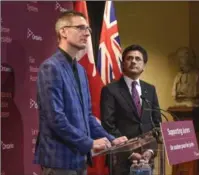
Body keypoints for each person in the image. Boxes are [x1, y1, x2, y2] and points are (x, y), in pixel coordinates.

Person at [34, 10, 127, 175]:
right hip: (59, 160)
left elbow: (88, 117)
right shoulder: (51, 67)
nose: (87, 33)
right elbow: (55, 119)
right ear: (63, 32)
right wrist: (90, 143)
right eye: (81, 28)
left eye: (88, 30)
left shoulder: (81, 70)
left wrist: (112, 140)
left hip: (80, 158)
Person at [100, 44, 162, 175]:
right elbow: (108, 124)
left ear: (144, 65)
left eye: (138, 59)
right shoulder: (110, 90)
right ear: (123, 63)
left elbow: (157, 123)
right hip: (121, 159)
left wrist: (150, 151)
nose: (133, 61)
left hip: (147, 160)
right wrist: (130, 152)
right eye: (129, 58)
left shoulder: (150, 89)